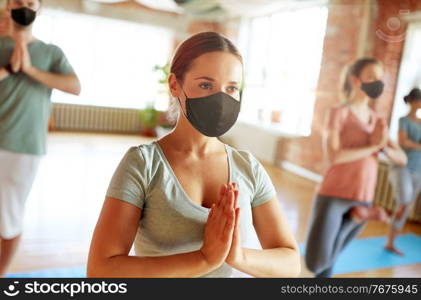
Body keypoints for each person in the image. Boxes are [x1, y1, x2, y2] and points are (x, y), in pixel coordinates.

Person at [87, 31, 300, 278]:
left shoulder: (248, 167)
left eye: (231, 88)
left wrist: (238, 257)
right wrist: (204, 259)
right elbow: (100, 270)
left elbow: (290, 263)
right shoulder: (143, 164)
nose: (220, 99)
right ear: (175, 85)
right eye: (206, 85)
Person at [304, 58, 407, 278]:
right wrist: (374, 146)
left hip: (364, 196)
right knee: (317, 263)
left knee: (327, 266)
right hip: (334, 192)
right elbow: (333, 155)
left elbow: (401, 159)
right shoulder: (338, 112)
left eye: (380, 78)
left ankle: (360, 216)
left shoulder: (378, 120)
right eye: (372, 77)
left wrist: (384, 148)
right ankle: (359, 217)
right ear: (355, 80)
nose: (377, 83)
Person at [0, 0, 81, 276]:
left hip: (25, 147)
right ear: (8, 6)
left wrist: (30, 70)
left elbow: (75, 86)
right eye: (18, 1)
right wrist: (10, 69)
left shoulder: (51, 52)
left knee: (8, 219)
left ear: (39, 8)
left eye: (30, 2)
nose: (23, 5)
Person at [385, 88, 421, 256]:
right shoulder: (403, 120)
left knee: (406, 206)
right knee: (404, 199)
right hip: (403, 166)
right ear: (413, 101)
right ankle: (385, 217)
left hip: (418, 169)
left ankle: (390, 243)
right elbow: (403, 141)